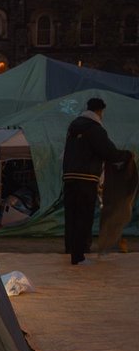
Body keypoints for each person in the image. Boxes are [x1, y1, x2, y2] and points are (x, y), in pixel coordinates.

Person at [62, 98, 132, 266]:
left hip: (69, 177)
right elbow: (108, 152)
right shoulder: (95, 129)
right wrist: (127, 155)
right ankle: (79, 257)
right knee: (84, 217)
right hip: (86, 179)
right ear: (100, 111)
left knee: (72, 216)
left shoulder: (73, 127)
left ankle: (71, 252)